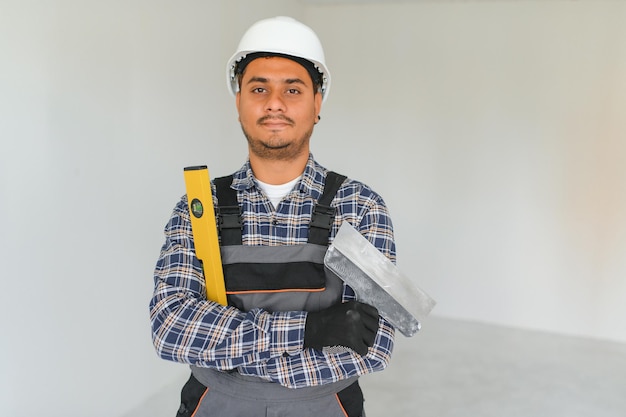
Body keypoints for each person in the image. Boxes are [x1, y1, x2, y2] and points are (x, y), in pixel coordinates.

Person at [150, 16, 396, 417]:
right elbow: (171, 328)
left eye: (293, 89)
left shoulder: (358, 207)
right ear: (239, 103)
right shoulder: (199, 207)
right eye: (259, 88)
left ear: (317, 104)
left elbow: (374, 343)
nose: (274, 103)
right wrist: (309, 330)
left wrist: (231, 349)